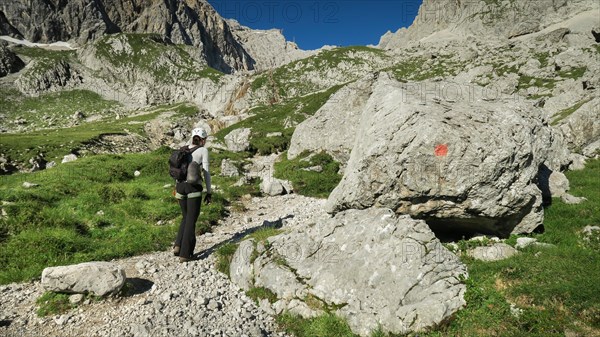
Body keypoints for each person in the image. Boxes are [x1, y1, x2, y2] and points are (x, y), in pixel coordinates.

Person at [173, 127, 212, 263]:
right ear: (202, 139)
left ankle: (178, 246)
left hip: (180, 187)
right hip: (193, 187)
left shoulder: (183, 149)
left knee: (185, 216)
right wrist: (209, 191)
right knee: (191, 220)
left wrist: (176, 187)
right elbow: (206, 172)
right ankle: (186, 253)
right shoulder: (203, 150)